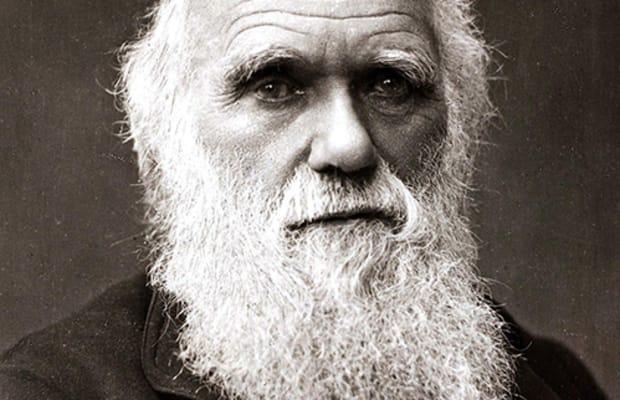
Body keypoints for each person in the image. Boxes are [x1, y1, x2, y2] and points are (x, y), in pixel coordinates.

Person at [0, 0, 607, 399]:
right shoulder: (46, 391)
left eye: (390, 82)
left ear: (457, 126)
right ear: (161, 142)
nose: (348, 145)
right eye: (274, 86)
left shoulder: (551, 384)